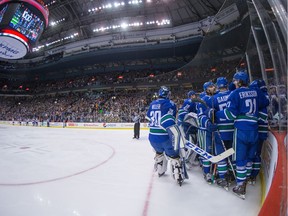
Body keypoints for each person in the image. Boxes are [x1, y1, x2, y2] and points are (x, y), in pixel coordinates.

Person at [215, 71, 269, 199]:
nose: (233, 83)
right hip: (254, 129)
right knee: (250, 156)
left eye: (235, 80)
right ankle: (248, 179)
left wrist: (216, 114)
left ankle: (240, 185)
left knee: (240, 158)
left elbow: (230, 115)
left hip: (241, 130)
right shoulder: (256, 92)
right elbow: (265, 103)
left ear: (239, 81)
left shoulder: (235, 93)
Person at [146, 86, 186, 186]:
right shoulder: (170, 104)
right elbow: (170, 121)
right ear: (167, 94)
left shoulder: (152, 104)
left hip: (152, 137)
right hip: (165, 137)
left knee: (159, 153)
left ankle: (160, 169)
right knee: (174, 156)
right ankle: (178, 174)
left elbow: (148, 117)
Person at [209, 77, 234, 190]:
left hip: (221, 130)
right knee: (231, 152)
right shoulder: (233, 93)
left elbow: (211, 113)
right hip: (234, 129)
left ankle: (223, 177)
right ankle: (233, 174)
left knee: (221, 154)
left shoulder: (214, 98)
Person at [248, 79, 269, 185]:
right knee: (257, 153)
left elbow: (260, 116)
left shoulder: (259, 98)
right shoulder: (265, 96)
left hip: (255, 131)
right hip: (261, 131)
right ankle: (253, 175)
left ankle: (251, 175)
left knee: (253, 153)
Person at [197, 81, 218, 184]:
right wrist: (208, 124)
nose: (213, 87)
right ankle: (207, 172)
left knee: (215, 151)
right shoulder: (202, 100)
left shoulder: (215, 97)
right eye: (210, 86)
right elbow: (200, 116)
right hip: (205, 131)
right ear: (206, 88)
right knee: (207, 152)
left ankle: (215, 169)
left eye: (213, 85)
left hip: (215, 129)